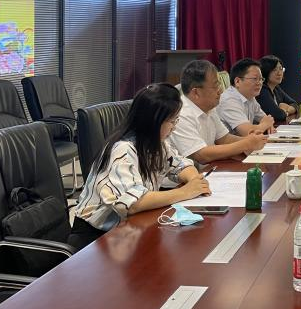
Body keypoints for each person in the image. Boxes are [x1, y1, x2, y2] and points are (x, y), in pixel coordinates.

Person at [69, 83, 211, 249]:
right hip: (95, 239)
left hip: (128, 229)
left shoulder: (156, 144)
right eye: (172, 121)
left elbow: (180, 165)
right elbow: (134, 203)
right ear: (153, 122)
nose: (174, 126)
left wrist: (195, 181)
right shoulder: (122, 150)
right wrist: (185, 192)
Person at [168, 59, 267, 163]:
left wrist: (254, 140)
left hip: (211, 167)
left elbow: (224, 139)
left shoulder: (209, 108)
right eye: (215, 86)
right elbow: (201, 155)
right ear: (196, 92)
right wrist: (246, 144)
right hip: (191, 172)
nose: (220, 90)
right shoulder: (181, 114)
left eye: (219, 85)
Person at [217, 57, 276, 136]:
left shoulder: (249, 96)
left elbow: (264, 118)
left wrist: (268, 125)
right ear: (237, 81)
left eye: (261, 79)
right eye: (255, 79)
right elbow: (248, 132)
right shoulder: (229, 100)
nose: (259, 83)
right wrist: (265, 125)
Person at [257, 54, 299, 122]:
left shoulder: (276, 88)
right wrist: (286, 111)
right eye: (274, 70)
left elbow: (295, 104)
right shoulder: (262, 90)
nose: (279, 73)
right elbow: (278, 115)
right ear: (265, 71)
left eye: (281, 69)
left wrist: (287, 109)